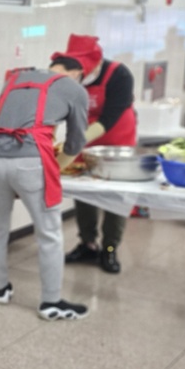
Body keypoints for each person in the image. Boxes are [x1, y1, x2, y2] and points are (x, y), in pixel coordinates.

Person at [0, 59, 90, 321]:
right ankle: (51, 303)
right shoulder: (74, 89)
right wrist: (60, 163)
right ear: (75, 73)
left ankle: (0, 289)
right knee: (49, 233)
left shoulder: (14, 78)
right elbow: (76, 142)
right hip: (31, 162)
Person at [53, 34, 137, 274]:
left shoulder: (119, 75)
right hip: (85, 138)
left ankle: (110, 248)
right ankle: (88, 243)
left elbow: (110, 116)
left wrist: (78, 139)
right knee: (85, 191)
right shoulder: (72, 76)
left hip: (117, 138)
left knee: (115, 194)